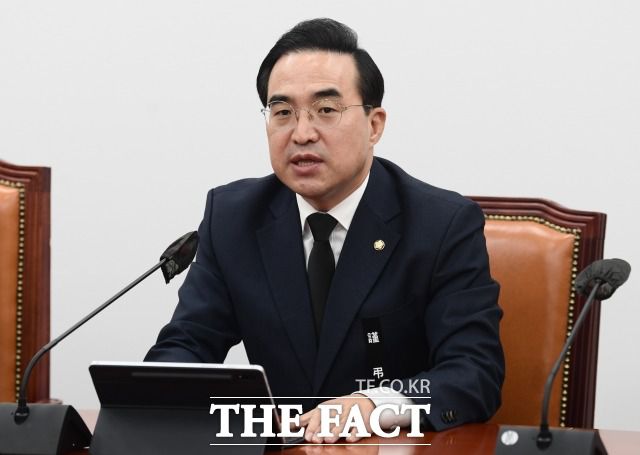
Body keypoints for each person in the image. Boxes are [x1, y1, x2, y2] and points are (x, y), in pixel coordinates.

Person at [146, 18, 504, 443]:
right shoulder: (233, 218)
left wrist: (376, 405)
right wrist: (164, 394)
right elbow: (188, 344)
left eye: (326, 110)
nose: (302, 133)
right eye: (283, 113)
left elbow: (473, 372)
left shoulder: (442, 225)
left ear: (374, 125)